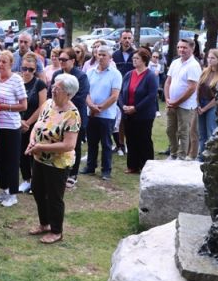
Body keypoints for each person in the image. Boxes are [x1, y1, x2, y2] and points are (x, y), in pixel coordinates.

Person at [25, 73, 81, 244]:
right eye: (54, 86)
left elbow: (69, 145)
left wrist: (42, 147)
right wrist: (32, 141)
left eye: (58, 88)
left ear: (69, 94)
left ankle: (57, 231)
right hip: (39, 158)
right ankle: (44, 223)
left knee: (54, 196)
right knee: (38, 190)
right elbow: (37, 125)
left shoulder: (72, 115)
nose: (53, 90)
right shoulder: (48, 104)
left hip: (58, 162)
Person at [0, 51, 27, 207]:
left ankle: (13, 194)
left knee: (11, 161)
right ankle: (3, 190)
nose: (1, 64)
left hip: (11, 127)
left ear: (11, 64)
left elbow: (24, 105)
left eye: (4, 62)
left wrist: (5, 107)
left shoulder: (16, 80)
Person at [49, 48, 90, 186]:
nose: (61, 62)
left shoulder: (81, 76)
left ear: (73, 60)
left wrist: (63, 102)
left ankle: (73, 174)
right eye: (59, 59)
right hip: (57, 115)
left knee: (74, 145)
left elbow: (81, 97)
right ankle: (58, 170)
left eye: (64, 60)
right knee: (57, 141)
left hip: (74, 115)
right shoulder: (57, 74)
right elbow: (51, 94)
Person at [82, 45, 122, 180]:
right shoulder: (90, 72)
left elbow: (114, 96)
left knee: (106, 143)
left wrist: (99, 108)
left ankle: (106, 171)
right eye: (99, 54)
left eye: (104, 55)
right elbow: (86, 92)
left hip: (106, 115)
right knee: (92, 142)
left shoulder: (115, 74)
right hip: (91, 113)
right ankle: (90, 166)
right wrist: (91, 106)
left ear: (110, 57)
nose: (101, 57)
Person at [118, 48, 158, 173]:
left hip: (144, 115)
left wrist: (136, 108)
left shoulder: (150, 76)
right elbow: (121, 92)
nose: (134, 61)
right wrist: (123, 105)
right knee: (131, 139)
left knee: (144, 140)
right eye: (133, 58)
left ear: (144, 60)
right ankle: (133, 166)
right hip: (127, 113)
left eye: (137, 59)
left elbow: (151, 96)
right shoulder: (129, 74)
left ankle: (146, 166)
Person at [165, 37, 202, 160]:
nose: (181, 50)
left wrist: (176, 102)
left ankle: (181, 156)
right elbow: (168, 82)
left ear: (192, 48)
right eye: (179, 47)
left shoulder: (194, 65)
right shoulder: (175, 62)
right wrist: (168, 99)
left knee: (183, 132)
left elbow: (192, 88)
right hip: (172, 103)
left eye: (184, 47)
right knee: (170, 130)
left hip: (185, 106)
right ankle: (173, 153)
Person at [18, 52, 48, 193]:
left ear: (35, 70)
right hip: (17, 123)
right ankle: (26, 179)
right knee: (21, 153)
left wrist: (28, 123)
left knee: (33, 153)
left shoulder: (39, 84)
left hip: (34, 124)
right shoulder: (16, 81)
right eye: (25, 68)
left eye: (30, 69)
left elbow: (42, 106)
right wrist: (19, 122)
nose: (27, 72)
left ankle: (36, 181)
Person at [196, 48, 218, 160]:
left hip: (212, 105)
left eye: (212, 58)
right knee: (201, 134)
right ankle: (201, 158)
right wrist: (198, 104)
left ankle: (211, 159)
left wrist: (205, 108)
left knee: (211, 133)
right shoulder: (205, 71)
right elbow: (198, 88)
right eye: (208, 57)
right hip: (201, 103)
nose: (209, 60)